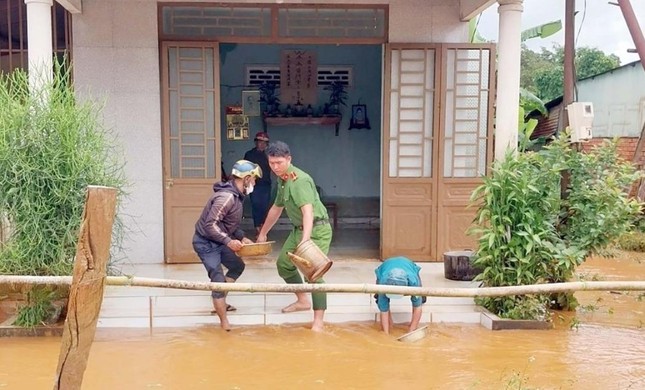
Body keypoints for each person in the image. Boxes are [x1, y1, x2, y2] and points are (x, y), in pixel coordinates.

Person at [256, 141, 332, 332]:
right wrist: (263, 233)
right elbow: (276, 208)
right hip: (299, 229)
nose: (275, 167)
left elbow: (308, 211)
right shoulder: (283, 179)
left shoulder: (300, 180)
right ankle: (303, 300)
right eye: (271, 163)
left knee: (314, 273)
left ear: (289, 159)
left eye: (279, 162)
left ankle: (318, 321)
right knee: (284, 264)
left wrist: (305, 240)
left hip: (316, 230)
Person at [192, 160, 263, 331]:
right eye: (253, 179)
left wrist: (241, 237)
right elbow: (210, 225)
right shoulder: (227, 197)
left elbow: (229, 224)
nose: (254, 183)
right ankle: (224, 323)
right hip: (206, 243)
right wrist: (229, 241)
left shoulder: (237, 196)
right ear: (246, 179)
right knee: (217, 279)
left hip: (218, 241)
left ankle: (221, 298)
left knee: (237, 267)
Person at [374, 256, 425, 334]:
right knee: (381, 301)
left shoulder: (413, 281)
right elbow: (383, 311)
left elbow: (417, 307)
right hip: (386, 266)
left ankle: (412, 327)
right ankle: (389, 323)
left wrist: (411, 331)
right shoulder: (383, 282)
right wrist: (385, 334)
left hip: (407, 264)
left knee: (419, 300)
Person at [243, 132, 272, 234]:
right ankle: (257, 228)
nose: (262, 144)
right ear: (256, 142)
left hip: (266, 184)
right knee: (256, 205)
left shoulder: (269, 155)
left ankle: (263, 229)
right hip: (254, 185)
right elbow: (244, 169)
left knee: (265, 207)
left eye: (265, 142)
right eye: (260, 142)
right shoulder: (249, 154)